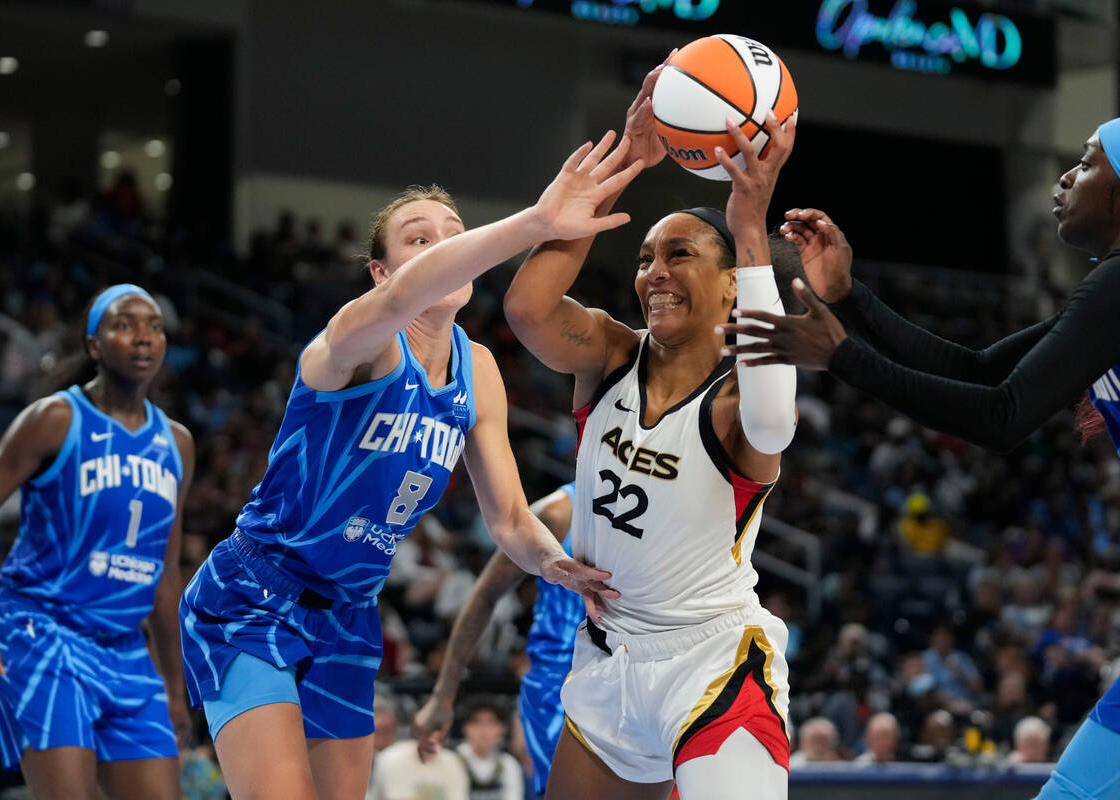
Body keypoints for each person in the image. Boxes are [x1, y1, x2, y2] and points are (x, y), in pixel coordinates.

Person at [718, 113, 1120, 799]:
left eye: (1087, 163)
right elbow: (976, 370)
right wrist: (850, 298)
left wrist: (844, 357)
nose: (1065, 177)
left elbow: (1002, 416)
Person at [178, 134, 641, 800]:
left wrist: (551, 561)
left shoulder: (477, 369)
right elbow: (402, 304)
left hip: (350, 614)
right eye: (420, 240)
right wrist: (537, 223)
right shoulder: (360, 339)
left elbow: (509, 516)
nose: (445, 246)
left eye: (454, 234)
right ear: (381, 272)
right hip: (257, 596)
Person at [501, 62, 801, 800]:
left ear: (731, 283)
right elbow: (528, 311)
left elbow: (776, 418)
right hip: (607, 660)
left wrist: (749, 228)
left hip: (713, 663)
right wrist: (632, 160)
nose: (655, 272)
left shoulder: (736, 402)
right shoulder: (610, 353)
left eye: (680, 255)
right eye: (644, 258)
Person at [0, 284, 193, 799]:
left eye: (154, 326)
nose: (143, 338)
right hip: (44, 633)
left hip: (126, 650)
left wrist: (175, 689)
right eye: (124, 325)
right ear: (93, 345)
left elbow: (165, 576)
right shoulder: (54, 420)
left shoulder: (176, 444)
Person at [412, 484, 580, 798]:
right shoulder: (559, 512)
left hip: (637, 674)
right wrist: (443, 694)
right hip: (560, 687)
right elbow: (485, 593)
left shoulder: (669, 508)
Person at [454, 701, 523, 800]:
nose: (484, 730)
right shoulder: (452, 762)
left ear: (501, 729)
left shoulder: (509, 764)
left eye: (491, 723)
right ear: (465, 727)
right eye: (477, 723)